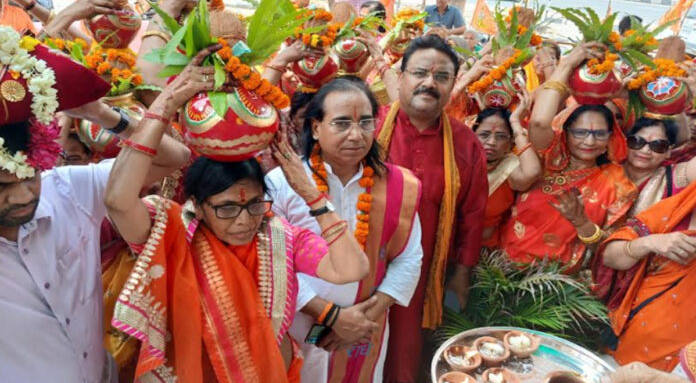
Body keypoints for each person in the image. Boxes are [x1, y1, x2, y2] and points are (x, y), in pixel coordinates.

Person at [104, 47, 371, 382]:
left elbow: (352, 269)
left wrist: (312, 196)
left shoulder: (279, 235)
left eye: (254, 205)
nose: (244, 220)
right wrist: (165, 104)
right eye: (227, 208)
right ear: (198, 206)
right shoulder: (171, 231)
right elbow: (117, 200)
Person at [0, 25, 190, 382]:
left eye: (32, 175)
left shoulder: (67, 190)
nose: (26, 195)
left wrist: (104, 116)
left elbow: (173, 159)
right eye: (3, 187)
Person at [268, 78, 423, 382]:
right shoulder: (283, 182)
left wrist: (364, 317)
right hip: (299, 323)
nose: (356, 135)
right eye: (341, 123)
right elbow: (273, 264)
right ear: (315, 128)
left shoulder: (400, 185)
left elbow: (409, 257)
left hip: (367, 326)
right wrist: (333, 317)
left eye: (365, 123)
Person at [373, 34, 488, 383]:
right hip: (361, 262)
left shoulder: (465, 142)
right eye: (420, 73)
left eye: (441, 77)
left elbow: (472, 212)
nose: (429, 83)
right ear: (401, 75)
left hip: (421, 274)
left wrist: (462, 273)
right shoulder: (369, 125)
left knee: (403, 356)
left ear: (453, 84)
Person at [497, 42, 637, 270]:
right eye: (581, 132)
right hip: (502, 269)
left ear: (611, 138)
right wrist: (568, 64)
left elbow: (608, 249)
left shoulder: (618, 184)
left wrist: (581, 222)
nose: (589, 141)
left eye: (599, 134)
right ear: (565, 132)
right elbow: (540, 121)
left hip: (555, 288)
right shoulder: (549, 158)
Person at [597, 180, 696, 372]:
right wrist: (651, 243)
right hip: (621, 350)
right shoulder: (673, 212)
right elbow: (610, 256)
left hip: (679, 371)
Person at [472, 96, 542, 248]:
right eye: (484, 135)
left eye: (501, 137)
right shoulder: (456, 160)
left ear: (511, 142)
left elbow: (532, 172)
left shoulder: (509, 166)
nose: (491, 142)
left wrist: (516, 123)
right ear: (472, 134)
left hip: (485, 253)